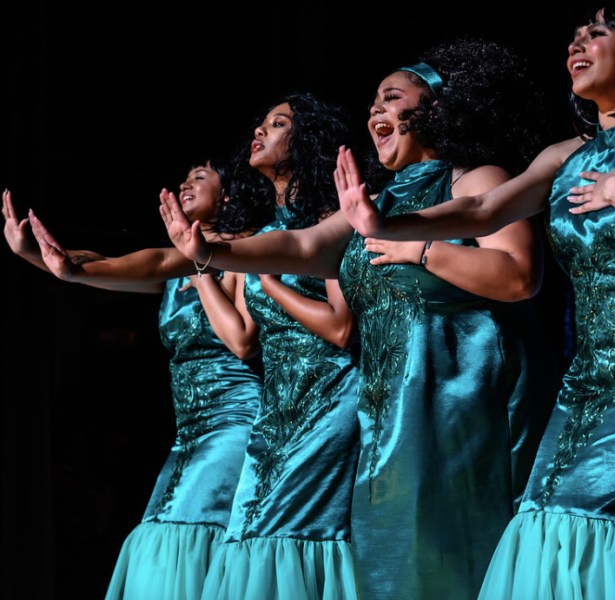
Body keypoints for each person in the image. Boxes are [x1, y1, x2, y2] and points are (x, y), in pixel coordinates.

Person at [335, 5, 615, 599]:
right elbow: (481, 210)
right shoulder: (562, 156)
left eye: (597, 33)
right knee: (545, 524)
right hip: (590, 379)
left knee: (587, 520)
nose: (577, 42)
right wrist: (385, 221)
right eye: (575, 35)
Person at [160, 39, 557, 600]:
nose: (375, 110)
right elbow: (298, 247)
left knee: (460, 560)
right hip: (389, 413)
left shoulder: (475, 178)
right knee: (390, 567)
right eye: (372, 101)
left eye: (391, 98)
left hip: (463, 400)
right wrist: (207, 254)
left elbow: (518, 276)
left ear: (436, 110)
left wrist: (421, 251)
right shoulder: (372, 204)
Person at [4, 157, 268, 600]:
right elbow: (105, 264)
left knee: (180, 534)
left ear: (228, 195)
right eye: (183, 178)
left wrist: (200, 263)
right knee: (170, 537)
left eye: (199, 178)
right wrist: (36, 254)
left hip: (236, 421)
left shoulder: (245, 253)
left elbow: (244, 342)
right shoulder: (175, 262)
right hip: (190, 431)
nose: (185, 184)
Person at [183, 93, 362, 600]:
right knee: (249, 534)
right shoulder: (262, 233)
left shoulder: (329, 217)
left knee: (291, 537)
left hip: (328, 398)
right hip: (275, 408)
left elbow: (341, 328)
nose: (259, 132)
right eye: (260, 124)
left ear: (305, 140)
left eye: (277, 124)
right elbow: (242, 338)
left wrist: (273, 283)